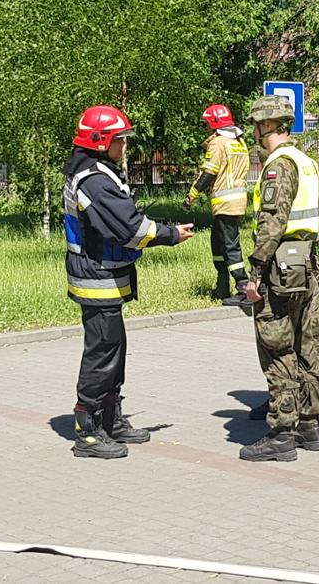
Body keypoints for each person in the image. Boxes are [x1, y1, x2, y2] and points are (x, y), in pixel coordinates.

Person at [62, 104, 195, 459]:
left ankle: (110, 419)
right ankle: (87, 431)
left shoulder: (97, 170)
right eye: (120, 139)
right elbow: (129, 228)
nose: (125, 145)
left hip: (105, 276)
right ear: (102, 141)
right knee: (102, 353)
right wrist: (170, 234)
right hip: (97, 279)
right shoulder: (94, 180)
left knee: (113, 350)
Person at [238, 94, 319, 462]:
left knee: (277, 347)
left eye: (256, 124)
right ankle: (311, 425)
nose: (253, 130)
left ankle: (282, 433)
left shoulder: (278, 166)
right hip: (309, 267)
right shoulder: (308, 163)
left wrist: (255, 276)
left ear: (267, 126)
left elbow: (271, 224)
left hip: (279, 271)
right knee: (309, 345)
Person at [182, 103, 252, 306]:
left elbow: (209, 173)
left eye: (207, 124)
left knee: (230, 245)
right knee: (218, 244)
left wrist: (191, 196)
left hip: (225, 202)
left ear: (213, 123)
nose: (206, 128)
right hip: (236, 200)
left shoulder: (218, 143)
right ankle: (222, 288)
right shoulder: (239, 142)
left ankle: (243, 286)